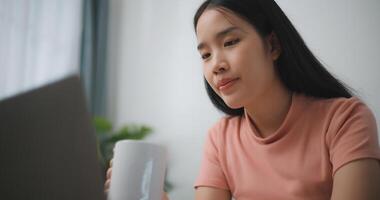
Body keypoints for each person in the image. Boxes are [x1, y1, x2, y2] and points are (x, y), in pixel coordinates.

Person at [105, 0, 380, 199]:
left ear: (272, 45)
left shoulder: (346, 119)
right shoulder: (221, 139)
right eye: (205, 54)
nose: (216, 65)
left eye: (230, 42)